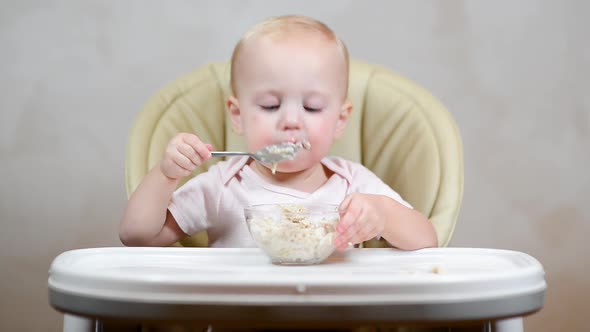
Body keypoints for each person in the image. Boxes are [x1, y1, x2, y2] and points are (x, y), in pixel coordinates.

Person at [119, 15, 437, 251]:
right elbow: (137, 236)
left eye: (312, 108)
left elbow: (427, 240)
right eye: (271, 106)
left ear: (341, 120)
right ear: (238, 115)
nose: (291, 121)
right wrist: (166, 175)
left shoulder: (352, 185)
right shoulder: (223, 186)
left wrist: (381, 215)